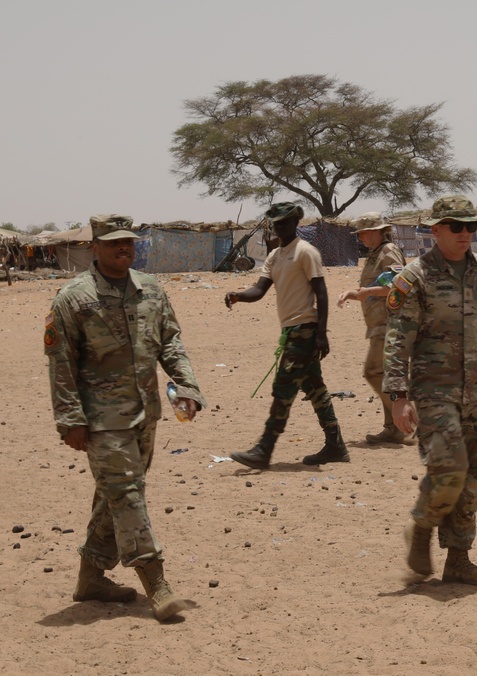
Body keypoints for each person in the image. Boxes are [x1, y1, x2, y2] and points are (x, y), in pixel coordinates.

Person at [45, 214, 205, 622]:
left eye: (129, 243)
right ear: (94, 247)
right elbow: (61, 363)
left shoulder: (150, 288)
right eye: (114, 243)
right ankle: (158, 584)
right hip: (100, 422)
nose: (124, 249)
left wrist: (186, 386)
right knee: (128, 496)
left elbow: (170, 340)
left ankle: (90, 578)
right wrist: (69, 419)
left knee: (115, 495)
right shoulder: (73, 298)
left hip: (144, 413)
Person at [384, 195, 477, 586]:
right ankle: (422, 526)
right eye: (456, 226)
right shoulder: (416, 277)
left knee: (475, 475)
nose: (466, 234)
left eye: (472, 227)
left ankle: (458, 559)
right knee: (450, 470)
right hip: (432, 390)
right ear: (436, 230)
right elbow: (398, 340)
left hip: (474, 391)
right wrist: (397, 398)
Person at [226, 202, 350, 469]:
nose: (279, 228)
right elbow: (259, 291)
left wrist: (321, 334)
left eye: (284, 223)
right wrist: (238, 295)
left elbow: (322, 293)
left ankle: (264, 449)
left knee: (284, 387)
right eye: (275, 224)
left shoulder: (306, 252)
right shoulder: (275, 256)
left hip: (305, 329)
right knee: (314, 386)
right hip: (291, 330)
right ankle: (335, 445)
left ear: (296, 223)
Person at [336, 212, 412, 445]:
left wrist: (366, 292)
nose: (360, 237)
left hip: (390, 323)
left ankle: (408, 418)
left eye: (363, 232)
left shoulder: (389, 252)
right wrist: (356, 294)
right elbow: (373, 287)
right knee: (385, 376)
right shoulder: (375, 254)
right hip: (378, 323)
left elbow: (400, 284)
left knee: (373, 372)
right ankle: (394, 428)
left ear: (377, 231)